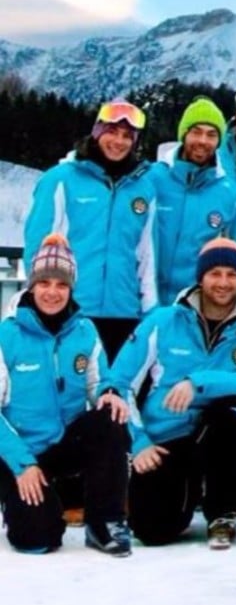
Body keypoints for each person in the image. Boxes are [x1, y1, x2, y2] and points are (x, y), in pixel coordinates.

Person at [110, 237, 236, 549]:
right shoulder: (163, 321)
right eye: (215, 273)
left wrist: (198, 382)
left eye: (232, 274)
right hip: (167, 437)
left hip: (220, 436)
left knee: (229, 417)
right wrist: (139, 441)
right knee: (152, 531)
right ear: (200, 277)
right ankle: (185, 493)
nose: (223, 283)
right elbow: (119, 383)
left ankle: (223, 513)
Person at [0, 235, 132, 556]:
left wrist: (109, 393)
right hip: (21, 450)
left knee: (110, 417)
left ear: (71, 288)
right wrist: (22, 464)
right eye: (44, 283)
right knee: (38, 538)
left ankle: (104, 523)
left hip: (62, 443)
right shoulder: (6, 334)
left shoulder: (84, 331)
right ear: (31, 286)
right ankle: (22, 498)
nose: (52, 292)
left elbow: (99, 382)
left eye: (61, 284)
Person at [24, 99, 158, 360]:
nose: (118, 141)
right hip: (71, 312)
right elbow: (37, 249)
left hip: (124, 314)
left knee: (116, 385)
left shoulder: (143, 188)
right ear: (97, 133)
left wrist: (150, 310)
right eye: (112, 132)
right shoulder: (60, 179)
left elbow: (147, 255)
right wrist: (40, 305)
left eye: (127, 136)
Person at [150, 96, 236, 305]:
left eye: (211, 135)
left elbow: (232, 253)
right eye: (196, 132)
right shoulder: (152, 178)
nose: (202, 141)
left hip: (196, 305)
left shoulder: (228, 192)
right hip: (146, 300)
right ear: (184, 134)